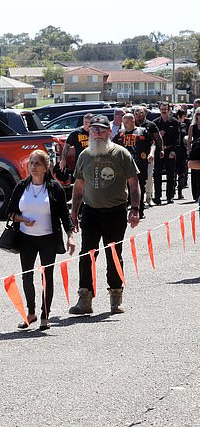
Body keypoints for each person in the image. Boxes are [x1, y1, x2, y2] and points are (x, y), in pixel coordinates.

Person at [68, 115, 141, 315]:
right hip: (91, 213)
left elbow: (134, 184)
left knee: (114, 255)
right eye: (94, 130)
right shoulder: (84, 155)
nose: (97, 133)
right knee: (87, 255)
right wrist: (74, 212)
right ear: (89, 132)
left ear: (110, 132)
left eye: (101, 130)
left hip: (116, 212)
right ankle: (85, 299)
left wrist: (135, 209)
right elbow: (79, 186)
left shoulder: (121, 154)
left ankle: (116, 298)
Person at [6, 149, 75, 331]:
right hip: (26, 239)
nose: (33, 167)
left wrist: (71, 235)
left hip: (48, 239)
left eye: (37, 163)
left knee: (47, 277)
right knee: (27, 276)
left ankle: (45, 315)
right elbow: (10, 212)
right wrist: (22, 220)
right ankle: (31, 312)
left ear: (46, 167)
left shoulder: (54, 188)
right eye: (31, 163)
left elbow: (63, 215)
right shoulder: (21, 186)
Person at [112, 113, 155, 219]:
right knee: (124, 188)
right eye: (123, 122)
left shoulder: (142, 131)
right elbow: (112, 145)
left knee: (139, 186)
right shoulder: (121, 133)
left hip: (139, 164)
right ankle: (125, 210)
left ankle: (140, 210)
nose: (124, 125)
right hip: (123, 165)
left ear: (133, 121)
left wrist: (151, 154)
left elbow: (152, 143)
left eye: (126, 122)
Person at [134, 105, 163, 205]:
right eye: (136, 113)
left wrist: (161, 150)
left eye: (141, 113)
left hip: (148, 156)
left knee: (149, 177)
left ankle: (149, 197)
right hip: (134, 156)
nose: (138, 115)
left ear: (145, 114)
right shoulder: (131, 125)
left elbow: (158, 139)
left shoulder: (151, 125)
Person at [153, 103, 180, 204]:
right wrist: (158, 135)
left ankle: (170, 196)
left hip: (170, 150)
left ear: (169, 110)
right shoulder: (155, 123)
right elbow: (152, 138)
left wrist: (174, 151)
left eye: (165, 109)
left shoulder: (174, 122)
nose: (164, 111)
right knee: (157, 174)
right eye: (162, 109)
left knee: (170, 174)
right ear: (159, 110)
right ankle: (157, 197)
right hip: (159, 151)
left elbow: (177, 138)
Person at [174, 108, 190, 199]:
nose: (185, 117)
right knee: (173, 172)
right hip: (175, 150)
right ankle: (172, 191)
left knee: (182, 172)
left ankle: (180, 190)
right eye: (184, 116)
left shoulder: (184, 125)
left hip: (182, 151)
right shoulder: (174, 124)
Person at [188, 107, 200, 201]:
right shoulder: (193, 126)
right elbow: (189, 140)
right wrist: (189, 151)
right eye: (198, 114)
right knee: (194, 174)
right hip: (195, 151)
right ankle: (195, 194)